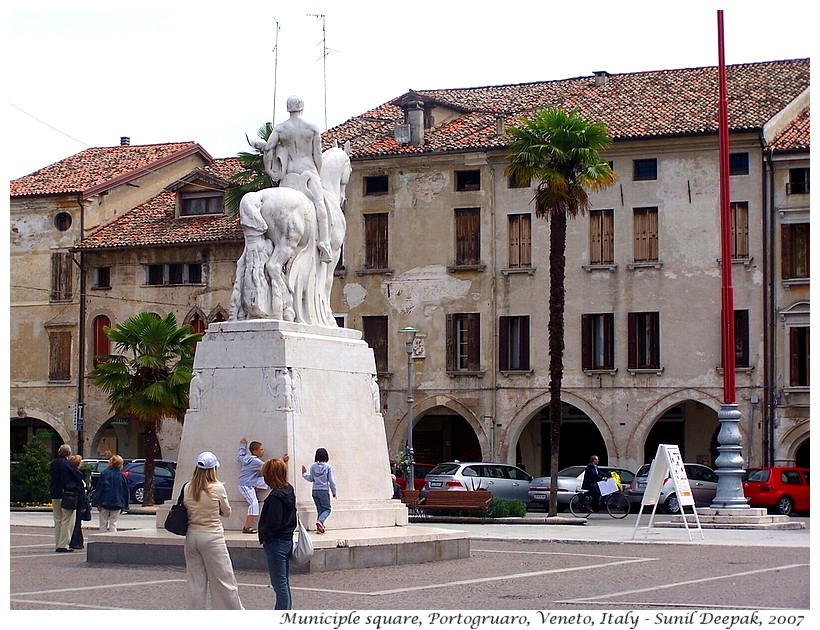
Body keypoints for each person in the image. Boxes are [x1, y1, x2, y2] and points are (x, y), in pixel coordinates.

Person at [261, 95, 332, 262]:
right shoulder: (312, 128)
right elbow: (317, 154)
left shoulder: (280, 129)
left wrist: (269, 170)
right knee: (320, 204)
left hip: (288, 175)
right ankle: (325, 244)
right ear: (302, 107)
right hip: (308, 171)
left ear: (288, 108)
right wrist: (318, 174)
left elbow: (268, 149)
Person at [183, 451, 244, 610]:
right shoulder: (217, 488)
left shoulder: (188, 487)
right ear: (213, 469)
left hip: (192, 536)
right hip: (212, 536)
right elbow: (226, 511)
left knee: (196, 582)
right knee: (224, 579)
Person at [257, 457, 297, 610]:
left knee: (279, 584)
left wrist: (264, 534)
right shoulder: (288, 489)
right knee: (283, 583)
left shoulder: (275, 496)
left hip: (276, 542)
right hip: (287, 540)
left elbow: (274, 521)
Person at [49, 443, 84, 553]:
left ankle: (58, 543)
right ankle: (63, 544)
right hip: (68, 495)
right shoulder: (69, 464)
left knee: (58, 520)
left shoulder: (53, 463)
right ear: (69, 453)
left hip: (55, 494)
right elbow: (78, 477)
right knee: (67, 521)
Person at [91, 454, 130, 533]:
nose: (108, 462)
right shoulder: (122, 476)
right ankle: (112, 540)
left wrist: (97, 502)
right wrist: (125, 504)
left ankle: (102, 540)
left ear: (112, 463)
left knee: (103, 524)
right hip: (118, 503)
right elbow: (125, 491)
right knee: (113, 524)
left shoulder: (105, 474)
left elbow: (100, 488)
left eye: (110, 460)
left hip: (105, 502)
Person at [236, 437, 268, 534]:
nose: (263, 451)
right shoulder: (256, 461)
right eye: (261, 449)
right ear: (255, 451)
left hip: (250, 482)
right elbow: (269, 467)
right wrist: (282, 460)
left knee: (268, 480)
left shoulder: (246, 458)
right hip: (245, 484)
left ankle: (258, 486)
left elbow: (239, 456)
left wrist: (242, 446)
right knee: (253, 503)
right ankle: (247, 526)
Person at [301, 447, 336, 534]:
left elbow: (311, 478)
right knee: (327, 509)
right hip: (323, 490)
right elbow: (331, 481)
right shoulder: (328, 467)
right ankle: (320, 521)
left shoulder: (313, 467)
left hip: (314, 490)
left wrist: (304, 474)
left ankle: (320, 527)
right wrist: (334, 492)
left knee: (320, 510)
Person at [68, 454, 91, 549]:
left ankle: (77, 541)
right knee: (77, 523)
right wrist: (83, 504)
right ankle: (76, 542)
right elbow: (81, 491)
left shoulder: (71, 474)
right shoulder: (78, 475)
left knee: (76, 522)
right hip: (78, 501)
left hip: (74, 500)